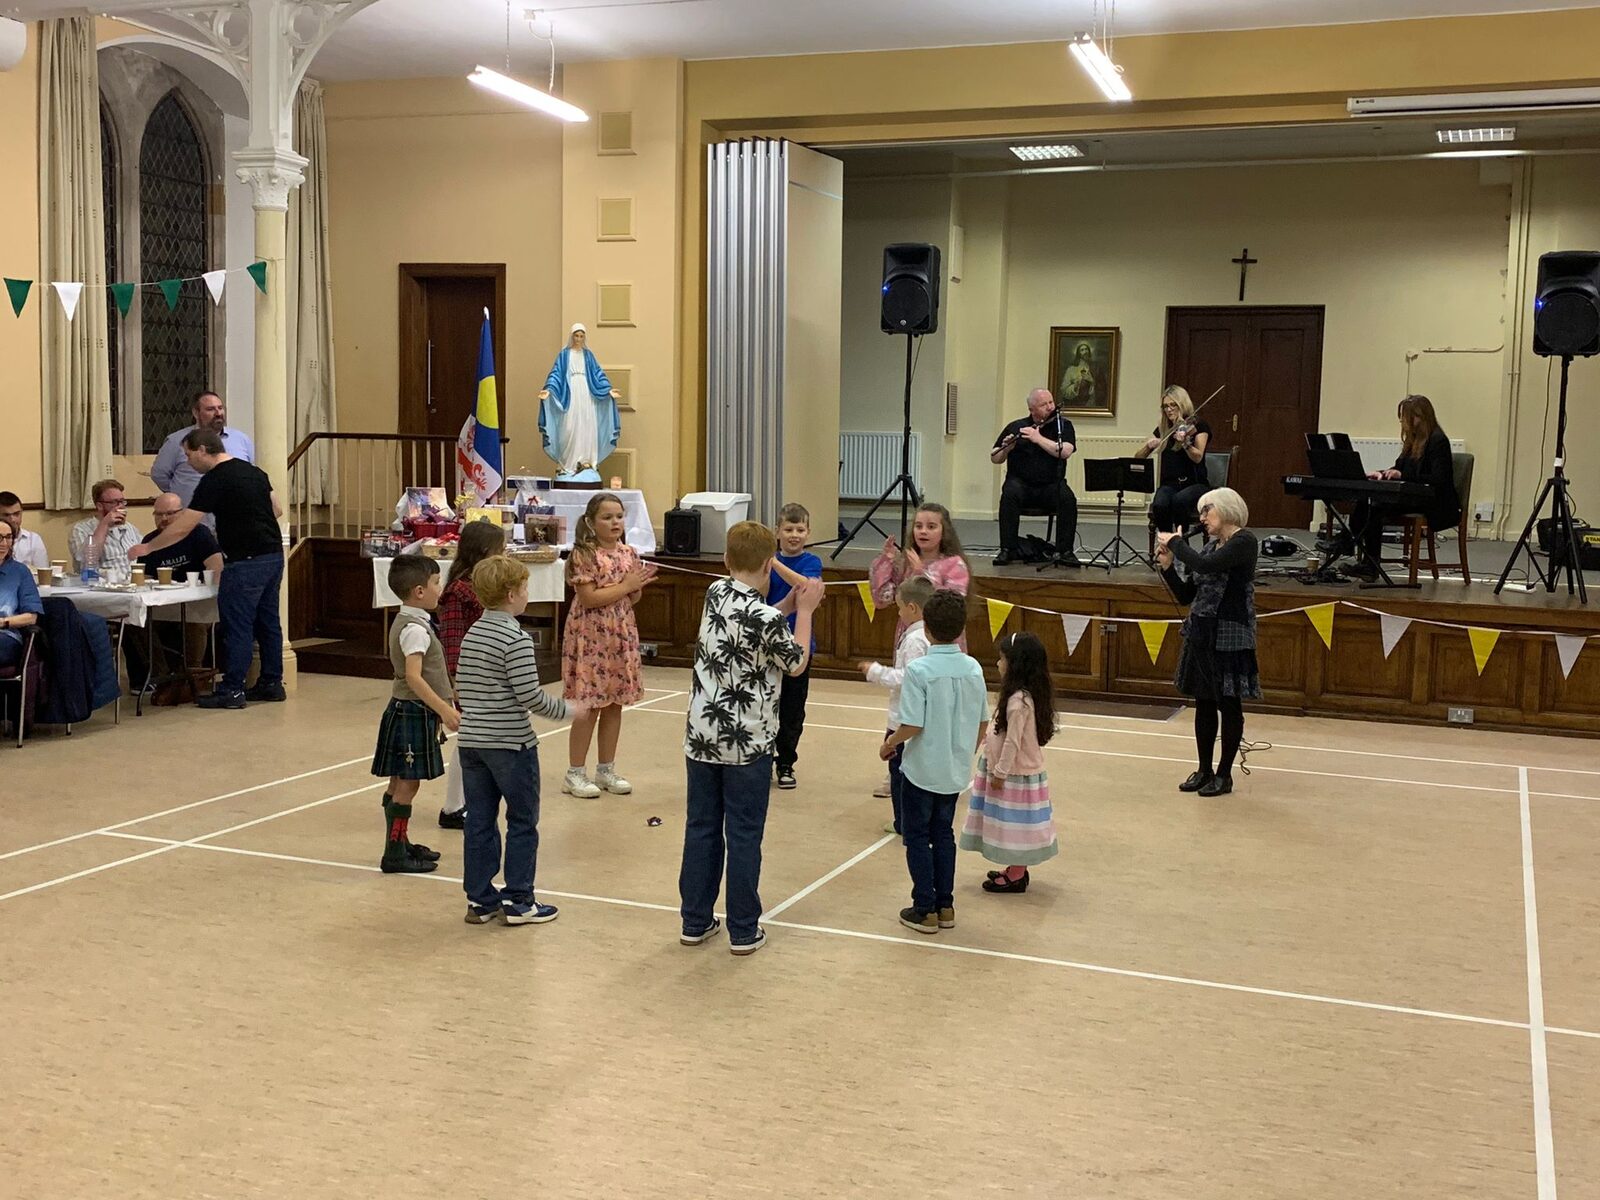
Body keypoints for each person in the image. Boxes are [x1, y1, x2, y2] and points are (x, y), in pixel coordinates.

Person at [679, 521, 823, 956]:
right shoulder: (766, 618)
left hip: (702, 736)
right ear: (768, 564)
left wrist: (786, 601)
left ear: (726, 560)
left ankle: (695, 920)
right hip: (748, 743)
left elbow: (752, 624)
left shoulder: (716, 593)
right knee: (743, 833)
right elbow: (796, 662)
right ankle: (743, 929)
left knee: (701, 828)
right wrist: (805, 611)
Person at [456, 555, 584, 925]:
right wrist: (568, 710)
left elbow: (462, 686)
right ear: (512, 594)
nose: (528, 594)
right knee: (522, 820)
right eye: (526, 588)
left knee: (479, 820)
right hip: (511, 744)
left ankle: (480, 900)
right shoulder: (516, 639)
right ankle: (519, 900)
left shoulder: (472, 634)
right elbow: (530, 696)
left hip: (472, 742)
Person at [130, 429, 283, 710]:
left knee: (237, 626)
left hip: (244, 560)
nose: (188, 462)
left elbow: (185, 525)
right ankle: (272, 683)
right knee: (268, 622)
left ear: (202, 450)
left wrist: (149, 548)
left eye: (189, 455)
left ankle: (232, 690)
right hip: (272, 555)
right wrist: (248, 518)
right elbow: (277, 509)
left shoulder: (215, 479)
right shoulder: (254, 472)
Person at [879, 589, 987, 935]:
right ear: (960, 629)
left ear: (926, 628)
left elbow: (912, 723)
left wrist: (890, 743)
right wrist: (966, 750)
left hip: (922, 769)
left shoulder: (920, 670)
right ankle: (945, 905)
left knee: (916, 836)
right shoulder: (973, 667)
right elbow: (983, 720)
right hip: (954, 770)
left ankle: (923, 907)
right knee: (943, 834)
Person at [1155, 487, 1260, 798]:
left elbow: (1205, 567)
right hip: (1201, 630)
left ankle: (1224, 774)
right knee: (1203, 702)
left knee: (1228, 703)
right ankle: (1204, 770)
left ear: (1226, 509)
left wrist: (1175, 542)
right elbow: (1187, 595)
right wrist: (1168, 566)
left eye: (1206, 511)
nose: (1201, 518)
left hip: (1229, 632)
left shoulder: (1244, 541)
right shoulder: (1212, 546)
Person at [561, 493, 656, 798]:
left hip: (620, 634)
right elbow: (589, 598)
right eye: (607, 517)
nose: (615, 522)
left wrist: (636, 587)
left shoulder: (629, 552)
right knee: (589, 705)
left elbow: (632, 598)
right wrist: (626, 586)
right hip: (591, 636)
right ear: (591, 522)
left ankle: (606, 769)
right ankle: (575, 773)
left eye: (619, 516)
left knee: (614, 703)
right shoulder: (584, 554)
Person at [371, 556, 456, 875]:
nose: (440, 588)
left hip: (406, 710)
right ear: (419, 591)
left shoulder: (412, 621)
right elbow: (414, 677)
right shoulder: (414, 630)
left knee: (399, 781)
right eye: (436, 582)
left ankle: (400, 842)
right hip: (412, 711)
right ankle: (394, 853)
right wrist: (444, 708)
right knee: (407, 785)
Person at [960, 630, 1059, 893]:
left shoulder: (1018, 702)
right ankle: (1016, 868)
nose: (998, 663)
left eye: (1002, 659)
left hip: (1014, 773)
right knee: (1012, 822)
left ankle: (1017, 874)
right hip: (1007, 769)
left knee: (1016, 825)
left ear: (1015, 664)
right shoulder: (1019, 697)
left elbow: (1013, 741)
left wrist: (1000, 772)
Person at [433, 520, 506, 830]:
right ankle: (452, 806)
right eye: (501, 550)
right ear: (484, 552)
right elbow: (452, 640)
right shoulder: (458, 592)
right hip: (469, 677)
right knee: (468, 741)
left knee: (479, 742)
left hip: (488, 674)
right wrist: (456, 680)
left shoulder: (485, 588)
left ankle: (469, 800)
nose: (504, 555)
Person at [1340, 394, 1462, 579]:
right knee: (1367, 502)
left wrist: (1403, 476)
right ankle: (1358, 553)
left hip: (1433, 502)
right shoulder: (1413, 441)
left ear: (1419, 417)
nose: (1403, 423)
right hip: (1415, 496)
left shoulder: (1438, 441)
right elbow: (1399, 468)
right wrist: (1382, 473)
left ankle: (1360, 555)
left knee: (1375, 508)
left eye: (1405, 418)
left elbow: (1439, 479)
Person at [859, 574, 934, 837]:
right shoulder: (925, 635)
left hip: (904, 716)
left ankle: (903, 821)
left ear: (912, 608)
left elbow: (907, 678)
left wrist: (875, 672)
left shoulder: (915, 640)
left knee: (899, 770)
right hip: (912, 714)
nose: (899, 612)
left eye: (900, 607)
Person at [134, 493, 224, 693]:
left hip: (197, 602)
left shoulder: (199, 534)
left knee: (193, 622)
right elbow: (145, 577)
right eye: (158, 514)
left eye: (169, 513)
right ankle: (162, 675)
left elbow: (216, 567)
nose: (164, 519)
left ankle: (192, 676)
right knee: (135, 621)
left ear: (182, 514)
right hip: (164, 603)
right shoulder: (150, 540)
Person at [767, 502, 824, 791]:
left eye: (800, 530)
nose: (794, 535)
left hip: (799, 645)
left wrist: (775, 563)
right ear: (777, 531)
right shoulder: (765, 563)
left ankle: (786, 762)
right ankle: (763, 759)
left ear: (808, 533)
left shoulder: (811, 561)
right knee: (767, 704)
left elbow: (808, 587)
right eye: (788, 529)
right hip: (768, 645)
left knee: (792, 709)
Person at [991, 388, 1079, 567]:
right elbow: (995, 457)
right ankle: (1008, 549)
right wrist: (1007, 448)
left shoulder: (1063, 426)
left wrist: (1037, 438)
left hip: (1051, 485)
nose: (1050, 407)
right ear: (1032, 410)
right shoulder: (1016, 426)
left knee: (1068, 499)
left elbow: (1066, 451)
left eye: (1051, 402)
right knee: (1009, 494)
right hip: (1020, 485)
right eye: (1043, 404)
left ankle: (1065, 551)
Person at [537, 324, 624, 482]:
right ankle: (568, 464)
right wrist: (549, 390)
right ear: (572, 337)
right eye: (576, 336)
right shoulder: (564, 355)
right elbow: (556, 374)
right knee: (569, 426)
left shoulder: (588, 355)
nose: (578, 339)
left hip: (586, 394)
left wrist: (608, 390)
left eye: (581, 336)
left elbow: (598, 374)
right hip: (570, 394)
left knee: (586, 426)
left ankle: (586, 462)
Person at [150, 391, 255, 507]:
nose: (218, 413)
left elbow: (250, 473)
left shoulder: (241, 439)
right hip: (191, 513)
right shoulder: (176, 441)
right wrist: (182, 492)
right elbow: (159, 475)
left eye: (220, 408)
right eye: (210, 409)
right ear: (196, 413)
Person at [1137, 385, 1212, 533]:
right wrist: (1148, 446)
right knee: (1160, 504)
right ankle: (1167, 539)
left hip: (1195, 483)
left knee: (1180, 500)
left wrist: (1185, 444)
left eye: (1173, 405)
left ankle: (1181, 540)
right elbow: (1138, 458)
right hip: (1170, 483)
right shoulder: (1164, 428)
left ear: (1182, 404)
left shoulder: (1198, 426)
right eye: (1165, 406)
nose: (1169, 409)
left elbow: (1197, 457)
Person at [69, 479, 142, 577]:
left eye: (122, 502)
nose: (120, 507)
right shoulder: (81, 530)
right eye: (114, 502)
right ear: (99, 506)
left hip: (134, 582)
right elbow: (86, 565)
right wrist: (104, 524)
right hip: (104, 584)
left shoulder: (130, 528)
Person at [0, 525, 43, 671]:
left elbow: (31, 617)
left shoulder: (20, 572)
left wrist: (3, 622)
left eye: (8, 537)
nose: (4, 543)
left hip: (6, 635)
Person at [0, 492, 48, 570]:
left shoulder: (34, 539)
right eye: (6, 515)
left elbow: (43, 571)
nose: (12, 519)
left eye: (16, 514)